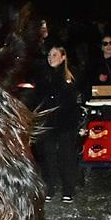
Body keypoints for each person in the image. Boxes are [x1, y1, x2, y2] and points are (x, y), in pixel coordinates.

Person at [31, 46, 82, 202]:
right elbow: (38, 97)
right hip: (48, 122)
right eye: (49, 55)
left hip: (65, 122)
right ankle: (50, 187)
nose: (50, 58)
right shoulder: (43, 75)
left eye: (54, 55)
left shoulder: (70, 76)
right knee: (48, 156)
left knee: (66, 155)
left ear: (63, 57)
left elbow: (73, 98)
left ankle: (68, 189)